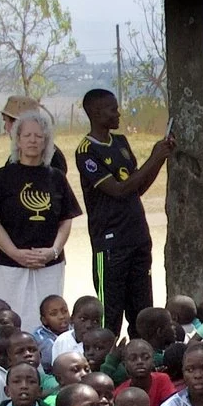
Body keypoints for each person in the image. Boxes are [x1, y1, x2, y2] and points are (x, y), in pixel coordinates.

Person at [75, 89, 169, 335]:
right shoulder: (86, 151)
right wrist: (154, 157)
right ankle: (106, 366)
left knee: (142, 311)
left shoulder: (121, 143)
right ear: (95, 113)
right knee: (110, 313)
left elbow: (137, 188)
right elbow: (117, 190)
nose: (118, 114)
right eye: (112, 109)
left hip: (137, 236)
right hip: (110, 243)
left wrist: (160, 160)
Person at [0, 107, 80, 325]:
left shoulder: (56, 178)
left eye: (38, 136)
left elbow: (66, 219)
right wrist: (14, 253)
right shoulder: (2, 177)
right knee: (8, 321)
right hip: (9, 266)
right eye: (27, 135)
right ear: (17, 140)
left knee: (46, 321)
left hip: (48, 264)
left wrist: (53, 251)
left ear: (46, 141)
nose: (33, 141)